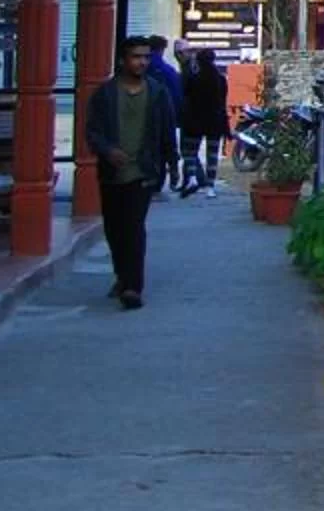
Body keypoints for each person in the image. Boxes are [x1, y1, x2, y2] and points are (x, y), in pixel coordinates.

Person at [84, 36, 177, 309]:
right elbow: (92, 131)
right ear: (123, 60)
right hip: (113, 171)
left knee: (134, 227)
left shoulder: (158, 92)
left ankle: (133, 287)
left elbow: (167, 129)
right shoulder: (105, 94)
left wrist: (172, 163)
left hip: (144, 169)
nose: (142, 62)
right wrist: (107, 150)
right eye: (136, 57)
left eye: (146, 57)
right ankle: (122, 276)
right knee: (115, 228)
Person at [177, 48, 231, 195]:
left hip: (195, 120)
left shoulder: (194, 78)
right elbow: (223, 101)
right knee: (212, 155)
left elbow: (186, 97)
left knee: (190, 152)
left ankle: (193, 178)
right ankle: (211, 187)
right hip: (215, 121)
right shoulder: (220, 79)